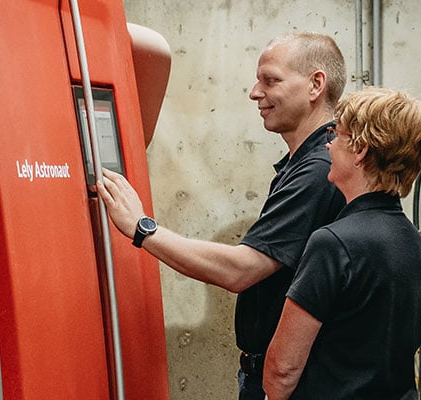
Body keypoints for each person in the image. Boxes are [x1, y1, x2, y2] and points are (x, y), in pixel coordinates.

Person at [97, 32, 347, 400]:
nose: (254, 92)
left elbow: (240, 270)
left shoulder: (318, 170)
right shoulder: (305, 164)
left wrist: (141, 227)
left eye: (270, 80)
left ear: (315, 85)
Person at [262, 87, 421, 400]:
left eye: (337, 135)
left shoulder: (333, 243)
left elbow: (282, 370)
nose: (328, 145)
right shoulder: (411, 240)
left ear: (360, 151)